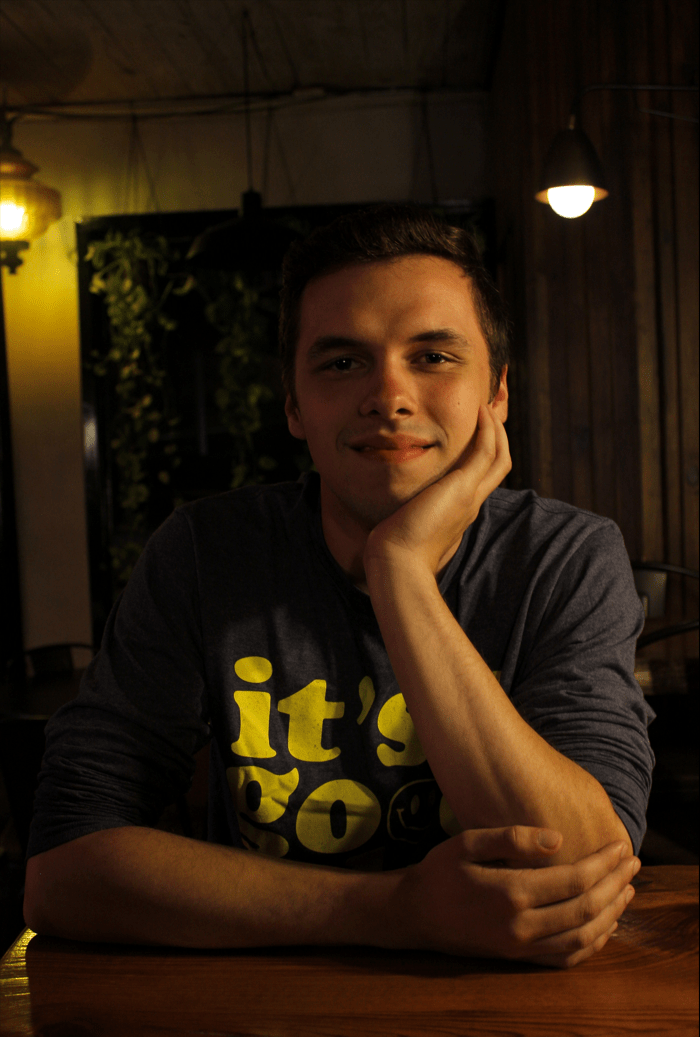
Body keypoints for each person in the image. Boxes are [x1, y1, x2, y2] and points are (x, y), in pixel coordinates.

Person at [24, 205, 653, 968]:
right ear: (293, 403)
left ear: (498, 397)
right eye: (343, 362)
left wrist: (399, 570)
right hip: (255, 1023)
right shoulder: (202, 554)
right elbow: (61, 872)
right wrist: (390, 911)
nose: (388, 395)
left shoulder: (567, 556)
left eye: (433, 357)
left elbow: (581, 874)